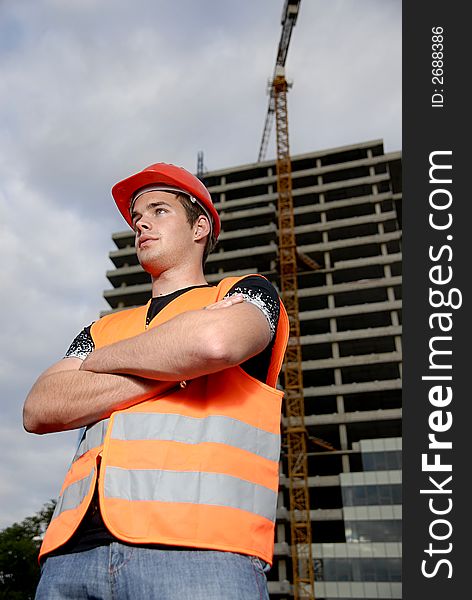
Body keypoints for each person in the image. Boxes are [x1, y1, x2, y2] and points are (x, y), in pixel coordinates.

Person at [24, 162, 289, 599]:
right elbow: (39, 408)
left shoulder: (245, 293)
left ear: (200, 227)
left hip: (202, 553)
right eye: (137, 217)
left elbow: (215, 342)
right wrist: (177, 369)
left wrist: (97, 367)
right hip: (70, 558)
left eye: (159, 210)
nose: (141, 222)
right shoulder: (101, 329)